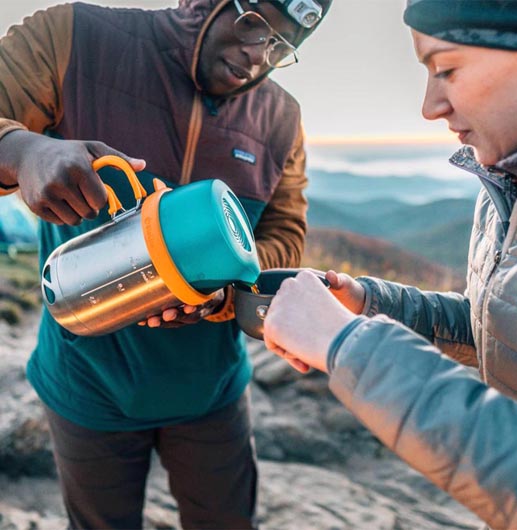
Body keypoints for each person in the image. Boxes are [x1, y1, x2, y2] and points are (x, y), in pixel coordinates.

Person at [0, 1, 332, 528]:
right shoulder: (73, 39)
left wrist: (224, 292)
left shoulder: (280, 118)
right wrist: (20, 148)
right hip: (87, 383)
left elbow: (284, 235)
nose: (257, 56)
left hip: (210, 393)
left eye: (280, 46)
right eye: (254, 24)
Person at [263, 1, 517, 528]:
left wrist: (345, 345)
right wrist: (367, 306)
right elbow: (502, 333)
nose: (431, 106)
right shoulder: (505, 187)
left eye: (447, 68)